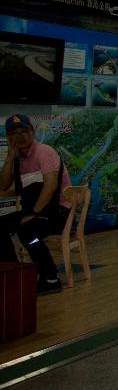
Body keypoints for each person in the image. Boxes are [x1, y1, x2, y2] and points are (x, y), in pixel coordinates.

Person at [0, 114, 71, 293]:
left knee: (27, 231)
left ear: (33, 132)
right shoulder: (18, 158)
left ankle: (51, 278)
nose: (20, 136)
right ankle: (14, 272)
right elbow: (4, 185)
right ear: (8, 137)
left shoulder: (44, 152)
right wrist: (9, 158)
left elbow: (50, 187)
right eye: (14, 133)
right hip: (36, 211)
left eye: (25, 131)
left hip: (57, 212)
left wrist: (32, 213)